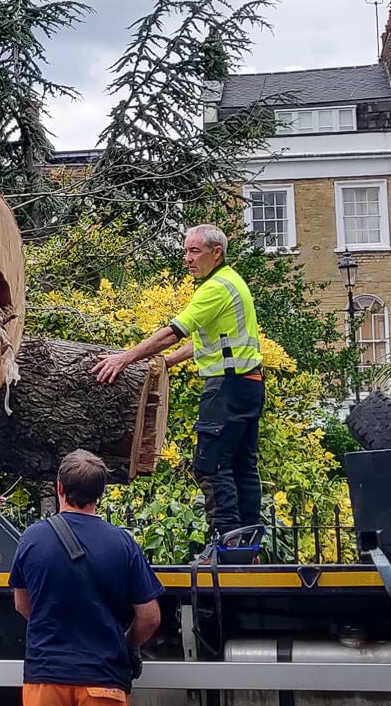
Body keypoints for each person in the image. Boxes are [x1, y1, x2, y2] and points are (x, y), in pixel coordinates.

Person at [90, 223, 265, 562]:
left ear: (217, 252)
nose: (187, 258)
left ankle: (228, 548)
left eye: (194, 251)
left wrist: (124, 359)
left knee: (211, 466)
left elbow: (174, 332)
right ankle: (248, 548)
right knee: (241, 466)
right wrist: (164, 366)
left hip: (227, 389)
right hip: (247, 385)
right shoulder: (230, 283)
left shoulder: (215, 288)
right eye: (185, 251)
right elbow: (204, 343)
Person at [10, 449, 163, 705]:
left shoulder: (32, 539)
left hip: (46, 680)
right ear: (100, 494)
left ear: (59, 487)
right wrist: (127, 643)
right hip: (103, 680)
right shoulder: (122, 543)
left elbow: (22, 605)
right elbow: (150, 617)